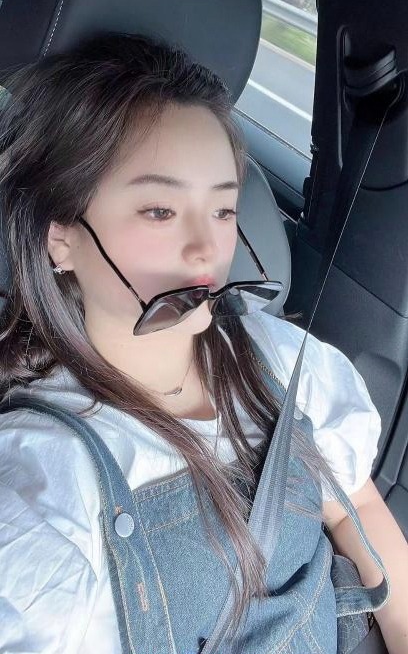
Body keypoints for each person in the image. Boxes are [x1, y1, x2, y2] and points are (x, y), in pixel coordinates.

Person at [0, 33, 406, 654]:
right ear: (61, 238)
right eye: (159, 211)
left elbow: (357, 509)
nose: (205, 251)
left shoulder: (280, 358)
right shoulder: (42, 482)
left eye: (222, 210)